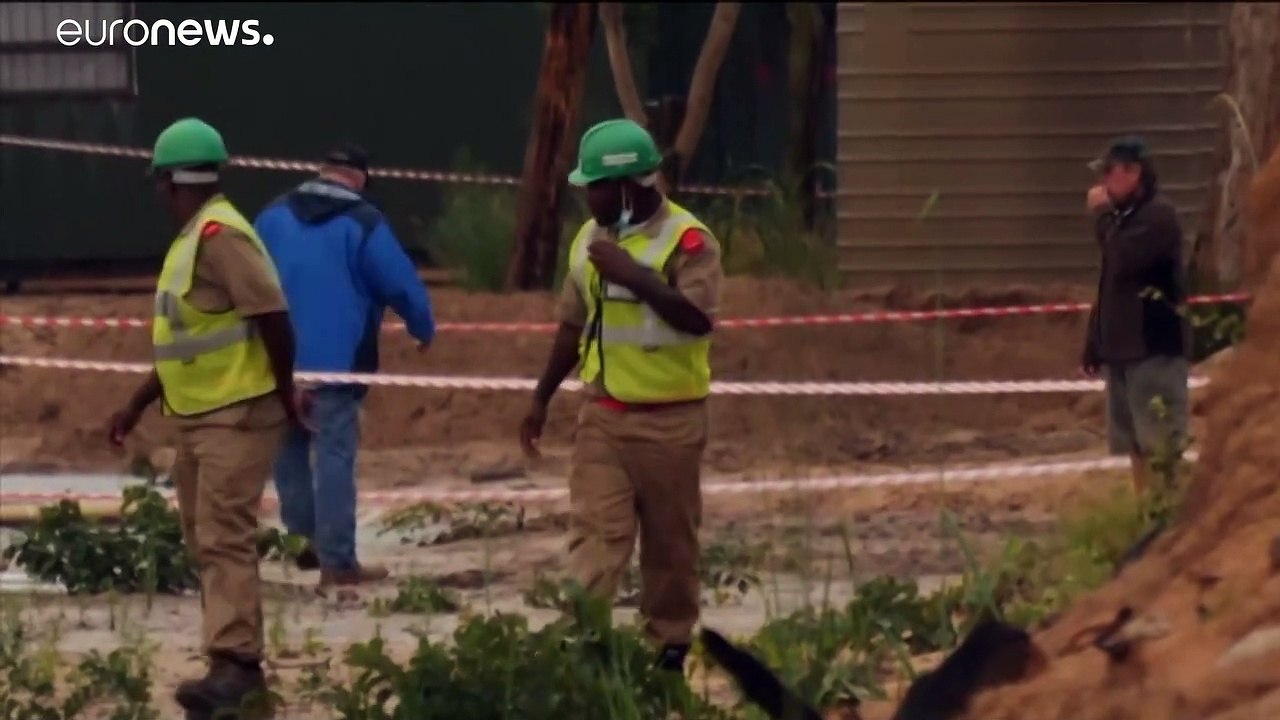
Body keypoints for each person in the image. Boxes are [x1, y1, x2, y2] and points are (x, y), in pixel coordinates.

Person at [107, 117, 304, 718]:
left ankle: (236, 665)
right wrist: (138, 403)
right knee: (205, 536)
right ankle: (232, 662)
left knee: (224, 536)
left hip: (237, 413)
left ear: (170, 182)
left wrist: (284, 394)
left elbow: (273, 316)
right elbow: (187, 343)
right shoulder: (196, 240)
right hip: (201, 414)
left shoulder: (220, 236)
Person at [519, 118, 724, 673]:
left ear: (630, 185)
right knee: (594, 538)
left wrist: (636, 276)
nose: (588, 198)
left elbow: (697, 318)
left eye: (596, 187)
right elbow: (572, 323)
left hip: (671, 424)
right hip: (603, 418)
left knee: (670, 548)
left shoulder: (690, 241)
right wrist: (541, 397)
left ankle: (668, 654)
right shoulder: (589, 240)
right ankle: (585, 652)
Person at [254, 143, 436, 587]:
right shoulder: (364, 222)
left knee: (288, 451)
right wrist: (422, 326)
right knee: (334, 456)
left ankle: (304, 546)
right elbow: (400, 282)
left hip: (274, 362)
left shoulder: (271, 217)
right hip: (336, 366)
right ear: (358, 180)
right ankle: (337, 563)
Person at [1081, 135, 1191, 496]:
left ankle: (1168, 509)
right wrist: (1095, 341)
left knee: (1159, 439)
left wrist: (1100, 216)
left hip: (1153, 348)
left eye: (1109, 173)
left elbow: (1124, 259)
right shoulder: (1122, 220)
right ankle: (1146, 510)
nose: (1102, 185)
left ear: (1133, 173)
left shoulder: (1157, 216)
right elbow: (1110, 283)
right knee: (1132, 442)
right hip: (1122, 352)